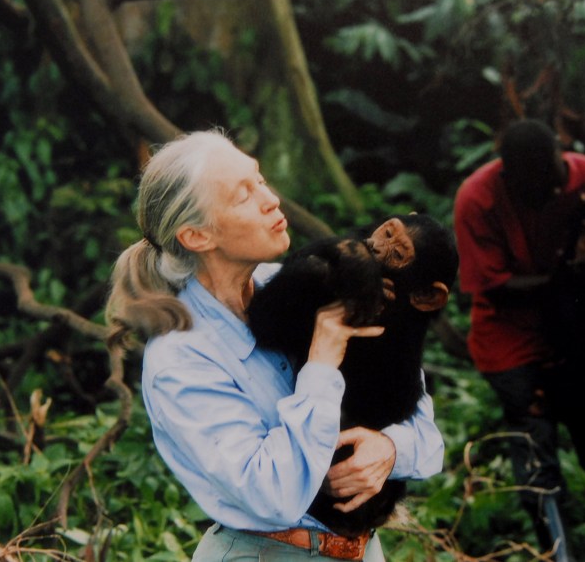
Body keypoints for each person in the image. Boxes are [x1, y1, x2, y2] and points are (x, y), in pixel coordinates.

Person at [106, 130, 444, 561]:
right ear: (197, 237)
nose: (270, 199)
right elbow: (274, 496)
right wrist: (322, 358)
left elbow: (421, 424)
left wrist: (390, 449)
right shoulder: (180, 359)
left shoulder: (284, 284)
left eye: (260, 179)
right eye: (243, 196)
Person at [452, 119, 585, 562]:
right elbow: (494, 287)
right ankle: (555, 552)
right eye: (536, 188)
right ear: (509, 177)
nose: (551, 194)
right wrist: (568, 278)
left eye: (556, 180)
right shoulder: (479, 198)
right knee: (535, 447)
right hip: (510, 336)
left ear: (562, 159)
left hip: (580, 330)